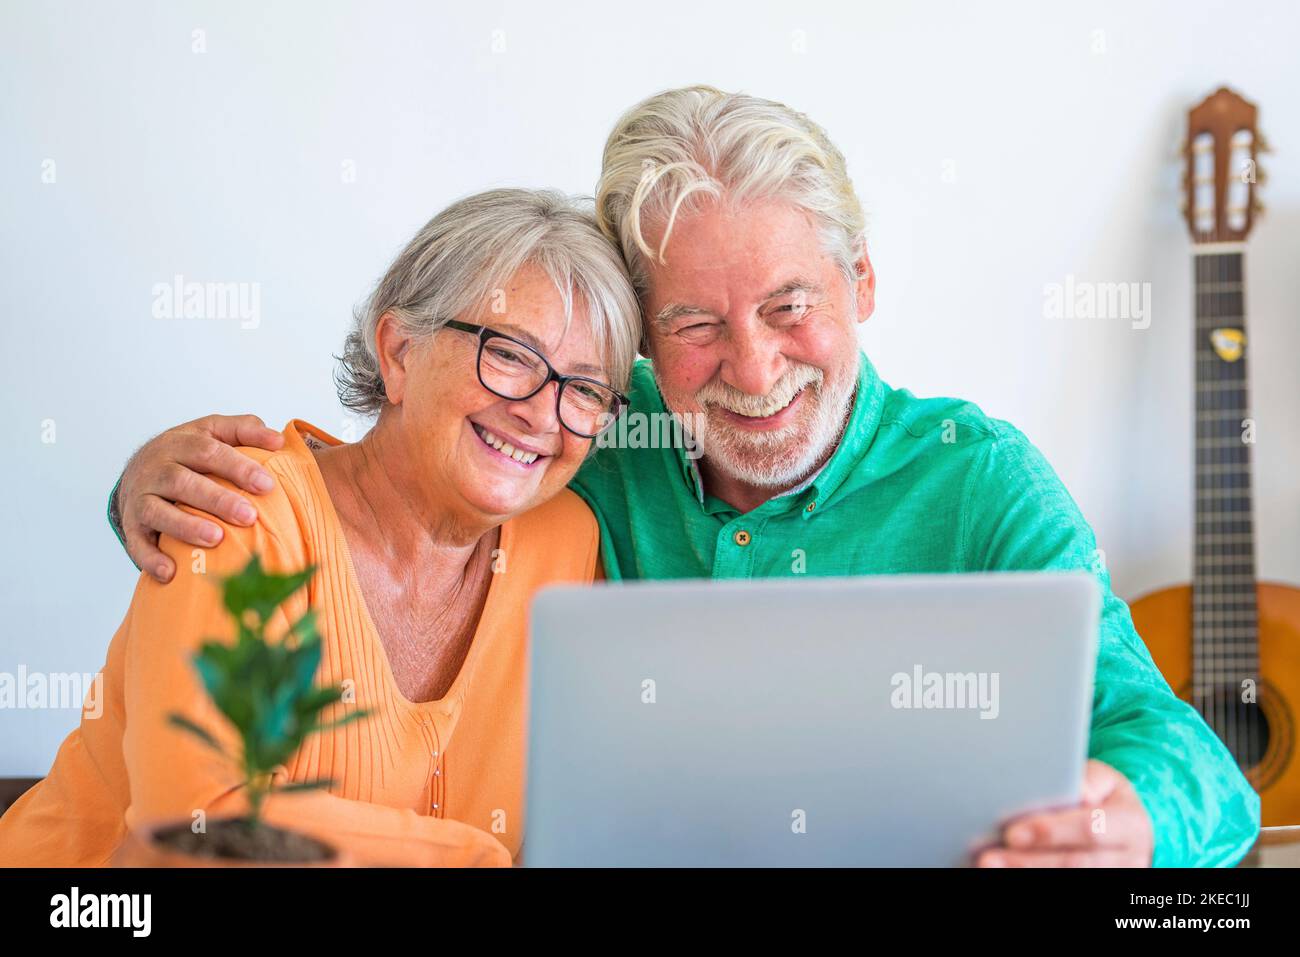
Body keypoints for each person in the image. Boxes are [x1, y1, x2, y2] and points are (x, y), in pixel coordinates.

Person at [100, 87, 1259, 867]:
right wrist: (142, 484)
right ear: (645, 342)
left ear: (862, 283)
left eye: (790, 306)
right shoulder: (580, 434)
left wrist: (1129, 819)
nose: (752, 368)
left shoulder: (979, 481)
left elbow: (1197, 759)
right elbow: (412, 455)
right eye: (696, 321)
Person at [0, 189, 640, 866]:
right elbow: (196, 820)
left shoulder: (566, 542)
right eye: (510, 354)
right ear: (399, 353)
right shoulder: (245, 513)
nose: (543, 414)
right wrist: (474, 858)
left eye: (586, 389)